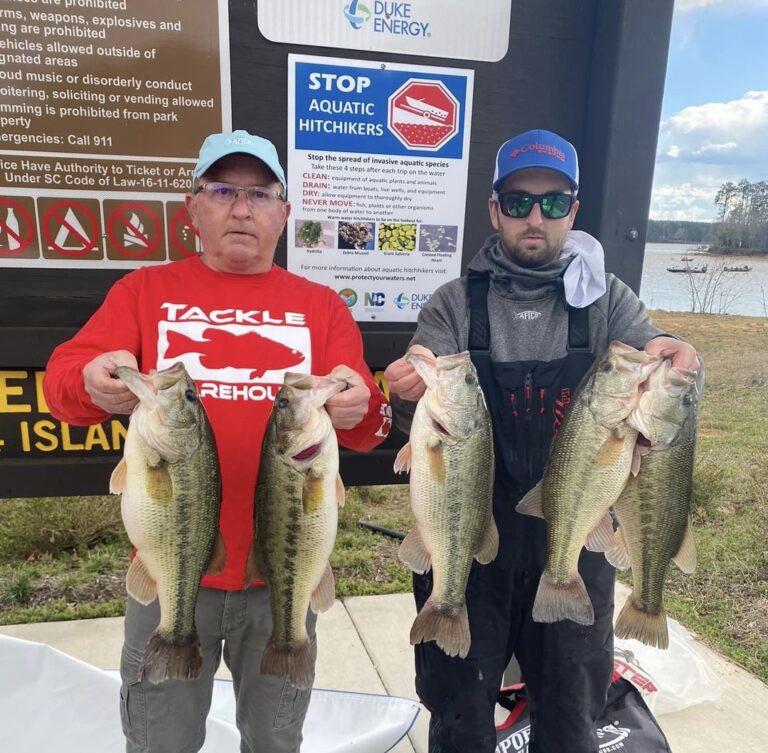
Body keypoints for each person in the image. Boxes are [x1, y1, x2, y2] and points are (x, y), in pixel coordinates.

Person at [43, 129, 391, 753]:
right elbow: (65, 387)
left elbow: (364, 427)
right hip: (170, 569)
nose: (241, 208)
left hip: (284, 575)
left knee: (275, 741)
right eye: (223, 190)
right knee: (160, 741)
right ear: (192, 206)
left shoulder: (321, 307)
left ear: (284, 213)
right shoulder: (143, 291)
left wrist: (365, 405)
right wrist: (92, 380)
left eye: (260, 194)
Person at [384, 128, 699, 753]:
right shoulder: (454, 305)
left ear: (573, 212)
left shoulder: (607, 300)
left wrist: (681, 358)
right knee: (459, 713)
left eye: (553, 203)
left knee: (572, 715)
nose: (537, 217)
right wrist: (403, 396)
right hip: (474, 542)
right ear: (495, 209)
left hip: (578, 540)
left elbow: (662, 366)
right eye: (520, 201)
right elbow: (426, 430)